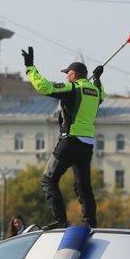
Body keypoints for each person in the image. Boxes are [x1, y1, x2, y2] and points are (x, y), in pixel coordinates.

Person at [21, 46, 105, 229]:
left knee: (48, 179)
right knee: (83, 187)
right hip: (87, 145)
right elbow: (102, 96)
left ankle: (60, 220)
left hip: (70, 141)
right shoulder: (95, 91)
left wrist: (30, 68)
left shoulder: (73, 88)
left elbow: (44, 87)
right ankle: (90, 223)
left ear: (74, 74)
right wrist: (97, 79)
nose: (66, 76)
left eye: (68, 73)